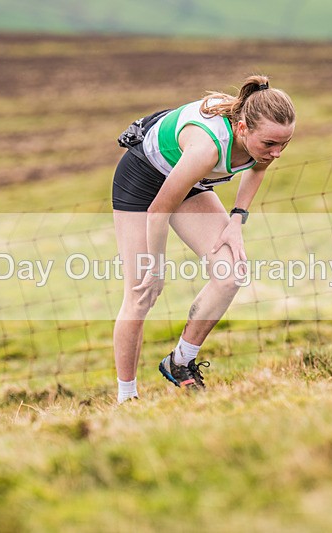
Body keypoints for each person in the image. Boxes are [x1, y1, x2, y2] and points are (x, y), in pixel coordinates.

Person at [112, 75, 295, 402]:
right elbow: (157, 212)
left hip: (187, 183)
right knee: (140, 296)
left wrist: (237, 219)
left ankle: (180, 361)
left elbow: (257, 167)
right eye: (270, 144)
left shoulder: (261, 140)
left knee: (232, 274)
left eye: (285, 144)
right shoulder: (207, 149)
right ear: (242, 130)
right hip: (142, 183)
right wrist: (155, 269)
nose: (277, 153)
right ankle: (127, 397)